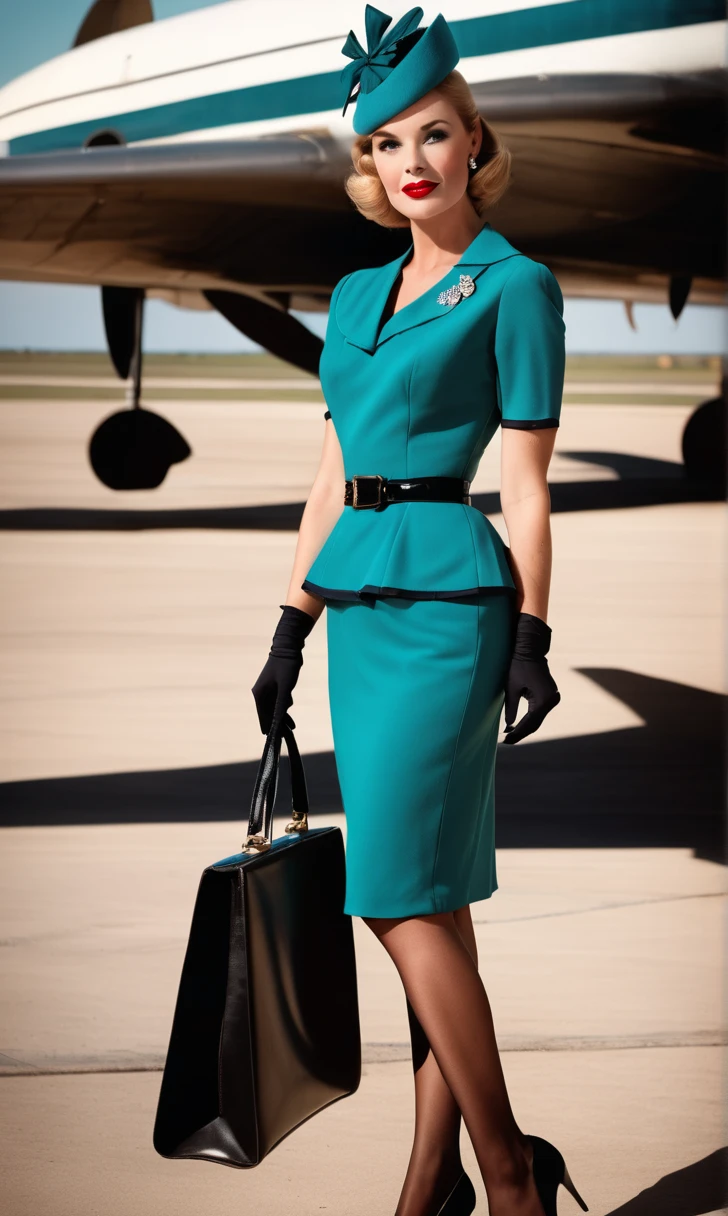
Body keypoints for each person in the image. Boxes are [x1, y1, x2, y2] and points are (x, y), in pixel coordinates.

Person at [251, 7, 588, 1215]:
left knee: (390, 892)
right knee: (430, 895)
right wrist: (289, 626)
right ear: (369, 166)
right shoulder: (349, 297)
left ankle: (507, 1168)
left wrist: (534, 637)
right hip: (358, 607)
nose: (411, 163)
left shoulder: (516, 287)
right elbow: (332, 473)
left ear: (472, 142)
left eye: (433, 137)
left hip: (453, 608)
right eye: (387, 144)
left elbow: (529, 479)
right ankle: (425, 1176)